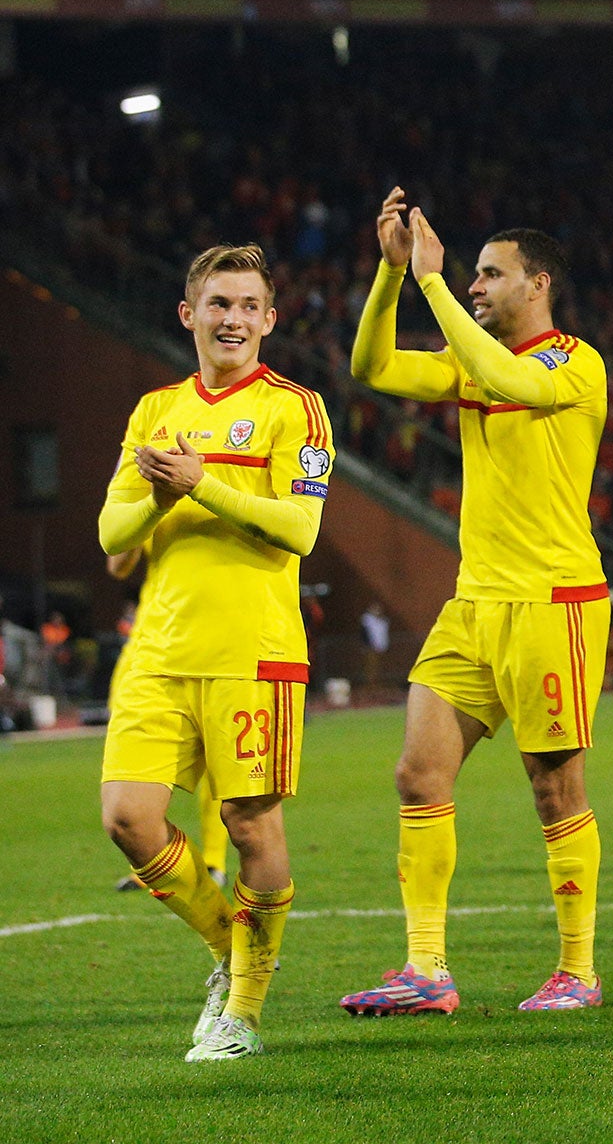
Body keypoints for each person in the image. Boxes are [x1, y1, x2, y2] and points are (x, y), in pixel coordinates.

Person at [341, 189, 611, 1015]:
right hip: (474, 604)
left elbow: (510, 380)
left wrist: (433, 286)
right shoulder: (474, 357)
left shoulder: (575, 362)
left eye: (492, 275)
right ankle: (426, 969)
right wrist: (392, 278)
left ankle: (578, 971)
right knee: (418, 775)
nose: (478, 285)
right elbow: (373, 368)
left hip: (553, 602)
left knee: (553, 787)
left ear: (539, 284)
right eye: (474, 275)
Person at [97, 244, 332, 1061]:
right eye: (218, 304)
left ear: (269, 319)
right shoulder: (153, 410)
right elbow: (111, 533)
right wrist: (161, 493)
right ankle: (229, 949)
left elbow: (301, 529)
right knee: (129, 818)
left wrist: (202, 485)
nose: (232, 318)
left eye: (247, 306)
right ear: (188, 314)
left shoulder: (295, 410)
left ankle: (243, 1015)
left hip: (253, 652)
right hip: (161, 648)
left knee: (248, 826)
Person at [108, 547, 230, 894]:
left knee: (214, 755)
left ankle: (214, 860)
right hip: (151, 641)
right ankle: (151, 862)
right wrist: (148, 502)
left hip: (216, 634)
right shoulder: (150, 490)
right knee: (137, 758)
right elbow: (118, 564)